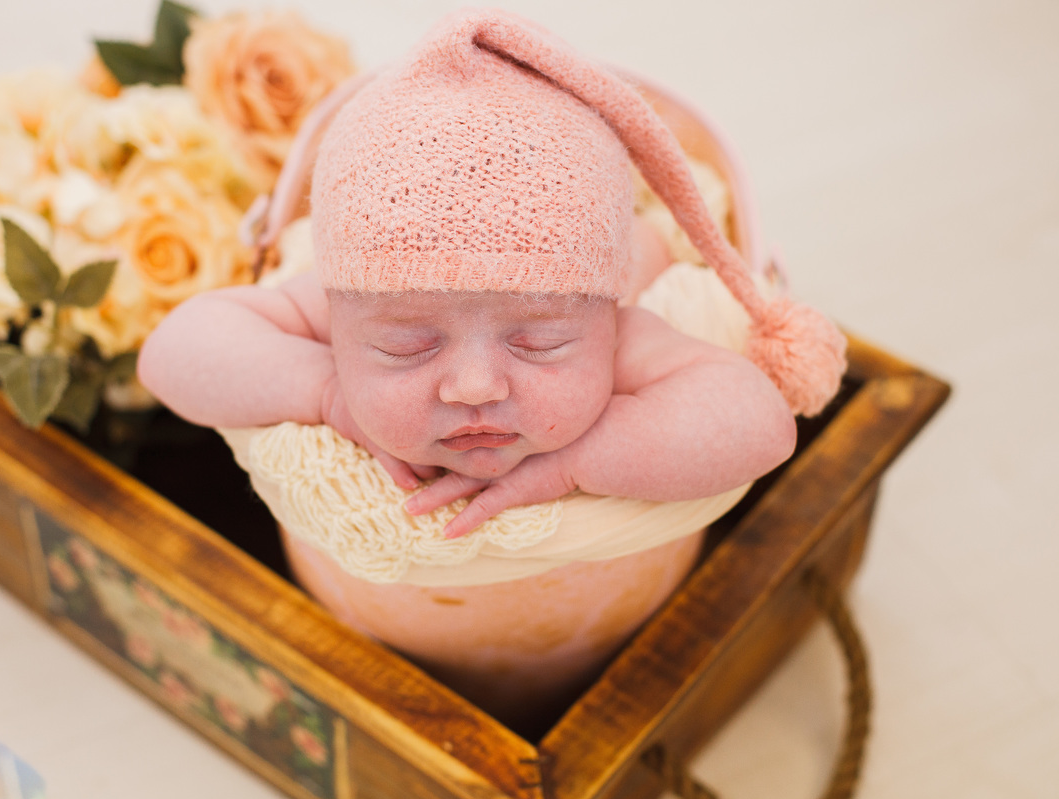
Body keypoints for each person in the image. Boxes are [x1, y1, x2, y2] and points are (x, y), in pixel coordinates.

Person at [137, 8, 846, 541]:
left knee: (646, 252)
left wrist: (576, 462)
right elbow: (169, 354)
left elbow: (760, 424)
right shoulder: (353, 294)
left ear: (601, 314)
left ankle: (649, 240)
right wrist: (328, 392)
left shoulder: (617, 327)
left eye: (537, 344)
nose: (475, 387)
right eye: (406, 347)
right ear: (339, 308)